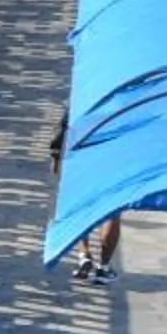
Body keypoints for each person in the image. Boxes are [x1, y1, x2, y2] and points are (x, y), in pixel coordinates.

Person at [45, 112, 123, 285]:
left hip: (82, 151)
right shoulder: (126, 95)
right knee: (112, 210)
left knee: (82, 205)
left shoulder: (86, 92)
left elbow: (61, 132)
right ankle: (103, 266)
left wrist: (56, 161)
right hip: (114, 152)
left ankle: (84, 255)